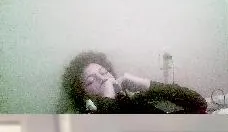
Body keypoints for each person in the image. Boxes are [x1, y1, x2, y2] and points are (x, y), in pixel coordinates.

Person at [61, 51, 208, 114]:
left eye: (103, 72)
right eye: (91, 81)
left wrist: (145, 84)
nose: (102, 78)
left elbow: (199, 104)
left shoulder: (135, 101)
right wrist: (108, 98)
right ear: (83, 96)